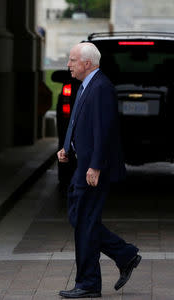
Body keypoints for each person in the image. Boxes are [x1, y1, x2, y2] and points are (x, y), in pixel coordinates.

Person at [57, 42, 141, 299]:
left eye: (72, 60)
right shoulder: (85, 85)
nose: (68, 65)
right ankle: (124, 255)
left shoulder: (102, 87)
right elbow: (79, 120)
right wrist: (67, 147)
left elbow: (103, 131)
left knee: (84, 222)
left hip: (94, 169)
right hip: (83, 164)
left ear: (87, 63)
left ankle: (89, 283)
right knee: (81, 220)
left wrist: (94, 166)